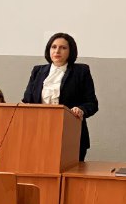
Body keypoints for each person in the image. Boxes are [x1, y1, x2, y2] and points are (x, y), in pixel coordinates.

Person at [22, 32, 99, 161]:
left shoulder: (81, 71)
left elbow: (92, 103)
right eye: (54, 47)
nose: (57, 51)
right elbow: (27, 101)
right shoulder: (38, 71)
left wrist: (81, 110)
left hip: (70, 134)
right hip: (40, 132)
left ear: (70, 51)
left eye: (63, 48)